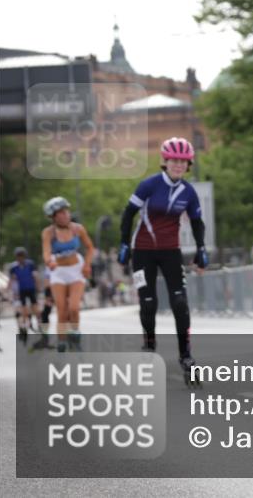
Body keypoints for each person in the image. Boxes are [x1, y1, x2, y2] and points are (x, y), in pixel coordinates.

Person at [118, 137, 208, 382]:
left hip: (171, 252)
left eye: (183, 161)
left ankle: (186, 355)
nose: (178, 165)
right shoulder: (149, 185)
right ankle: (149, 346)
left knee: (180, 303)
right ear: (165, 162)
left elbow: (197, 222)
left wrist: (201, 249)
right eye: (173, 161)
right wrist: (125, 244)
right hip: (142, 252)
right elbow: (128, 214)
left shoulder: (188, 192)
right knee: (148, 303)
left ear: (188, 164)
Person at [41, 197, 96, 352]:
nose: (65, 215)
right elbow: (46, 252)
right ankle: (62, 341)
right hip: (58, 272)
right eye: (60, 213)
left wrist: (87, 264)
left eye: (66, 211)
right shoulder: (48, 233)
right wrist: (49, 262)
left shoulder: (78, 229)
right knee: (61, 310)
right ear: (53, 217)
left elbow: (91, 248)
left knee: (73, 308)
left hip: (76, 270)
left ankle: (76, 336)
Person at [9, 247, 41, 344]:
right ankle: (25, 326)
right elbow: (12, 280)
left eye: (22, 255)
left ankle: (39, 323)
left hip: (30, 289)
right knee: (23, 309)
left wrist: (38, 287)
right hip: (21, 290)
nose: (20, 258)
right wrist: (10, 292)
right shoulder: (14, 267)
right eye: (19, 256)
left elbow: (35, 276)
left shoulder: (30, 264)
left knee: (35, 306)